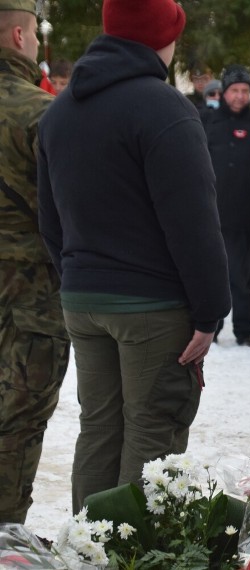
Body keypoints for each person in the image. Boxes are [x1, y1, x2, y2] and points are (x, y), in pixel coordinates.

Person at [37, 0, 231, 512]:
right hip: (151, 305)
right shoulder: (164, 108)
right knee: (153, 433)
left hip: (83, 298)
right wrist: (211, 309)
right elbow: (193, 222)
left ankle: (88, 551)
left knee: (99, 428)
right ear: (162, 37)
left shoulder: (60, 111)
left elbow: (50, 218)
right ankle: (131, 557)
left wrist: (78, 277)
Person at [0, 0, 70, 524]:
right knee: (16, 427)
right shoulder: (42, 113)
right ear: (22, 38)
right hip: (29, 302)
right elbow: (76, 212)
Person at [203, 63, 250, 347]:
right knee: (212, 276)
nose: (240, 96)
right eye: (234, 90)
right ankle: (212, 328)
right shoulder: (206, 124)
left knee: (244, 277)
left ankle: (245, 331)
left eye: (245, 90)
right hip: (213, 215)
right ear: (224, 91)